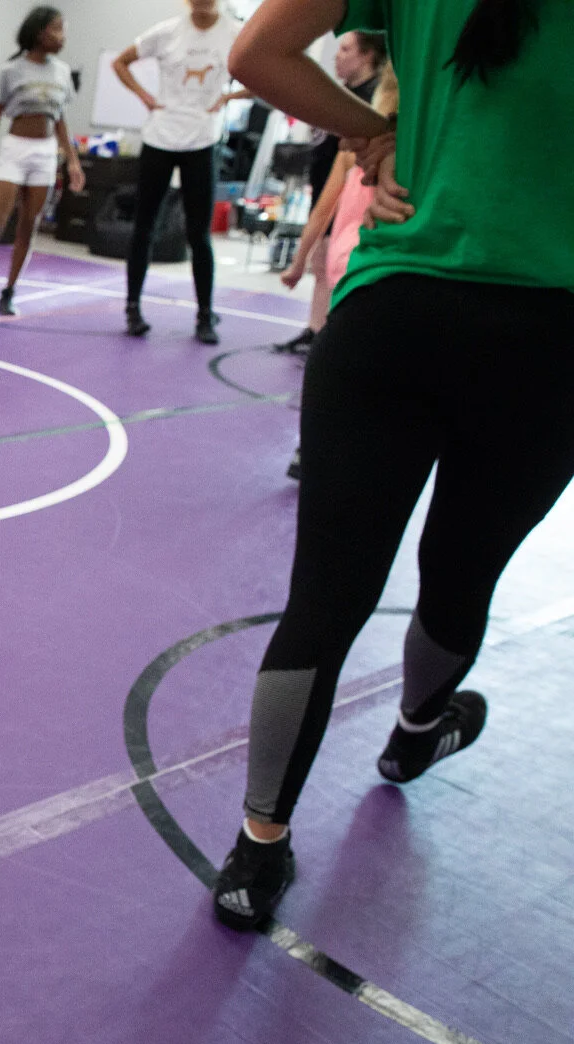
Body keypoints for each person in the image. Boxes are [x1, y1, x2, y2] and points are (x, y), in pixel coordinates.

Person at [210, 0, 574, 931]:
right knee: (462, 574)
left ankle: (257, 849)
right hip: (547, 331)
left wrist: (372, 129)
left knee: (326, 596)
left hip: (393, 318)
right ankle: (415, 733)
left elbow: (257, 53)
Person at [277, 61, 396, 480]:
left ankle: (313, 449)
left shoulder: (361, 147)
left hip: (358, 264)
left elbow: (321, 212)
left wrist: (298, 262)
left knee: (341, 367)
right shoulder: (363, 148)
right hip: (363, 265)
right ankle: (320, 450)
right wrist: (299, 262)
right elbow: (324, 209)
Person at [112, 0, 250, 344]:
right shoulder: (167, 32)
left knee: (198, 234)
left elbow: (269, 71)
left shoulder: (234, 33)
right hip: (161, 137)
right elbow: (121, 62)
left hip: (201, 141)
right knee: (144, 226)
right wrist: (145, 96)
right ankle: (133, 307)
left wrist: (230, 96)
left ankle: (205, 315)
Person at [0, 7, 86, 317]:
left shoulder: (62, 72)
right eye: (57, 30)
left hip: (44, 152)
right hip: (15, 149)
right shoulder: (11, 71)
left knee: (30, 225)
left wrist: (73, 162)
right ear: (40, 33)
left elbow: (61, 121)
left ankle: (9, 292)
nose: (63, 37)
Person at [277, 29, 385, 356]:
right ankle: (315, 329)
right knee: (322, 263)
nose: (338, 56)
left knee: (336, 265)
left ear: (368, 55)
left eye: (346, 49)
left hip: (349, 199)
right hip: (328, 190)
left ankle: (333, 336)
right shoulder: (341, 94)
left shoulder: (374, 101)